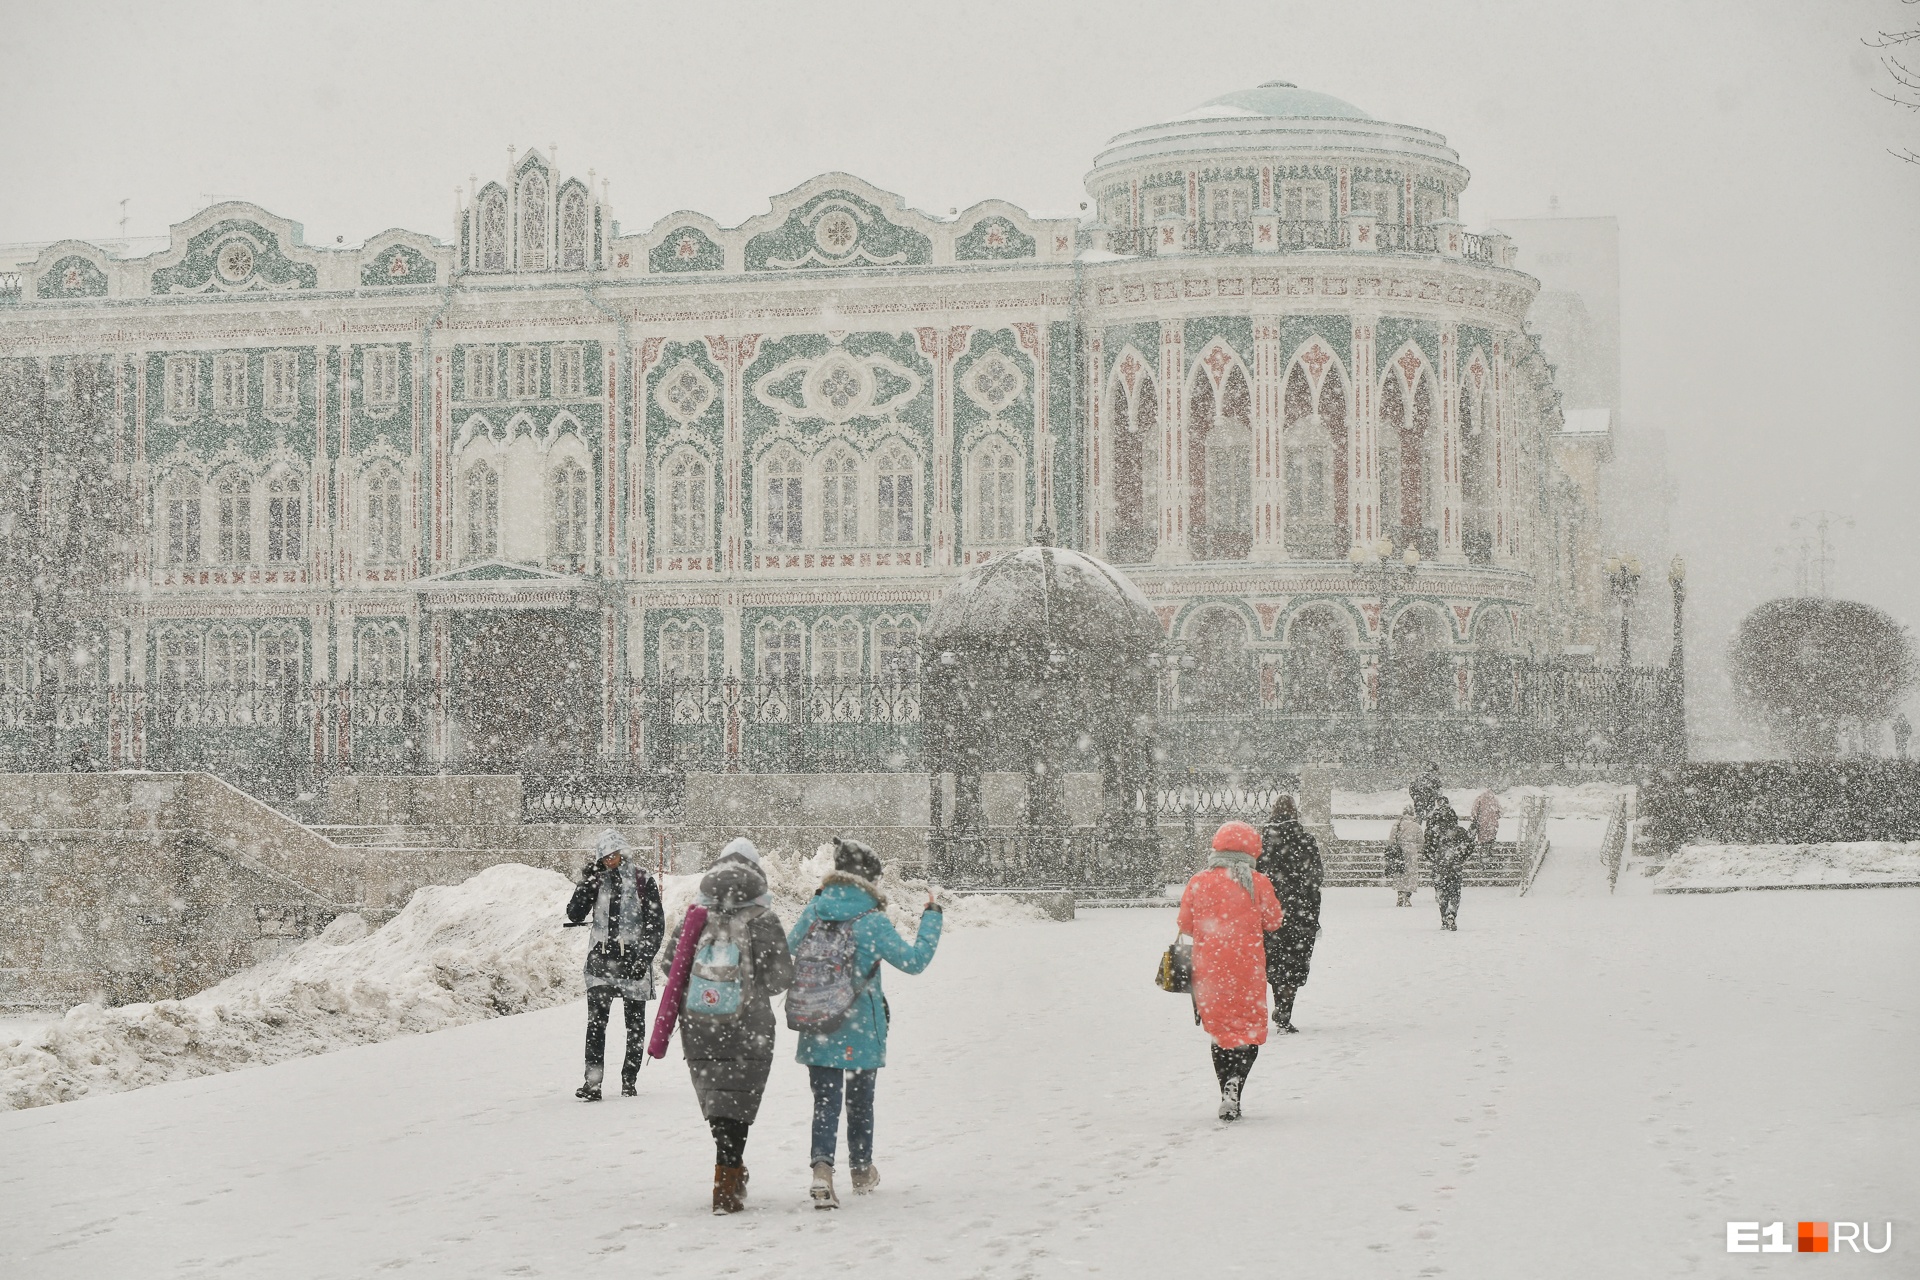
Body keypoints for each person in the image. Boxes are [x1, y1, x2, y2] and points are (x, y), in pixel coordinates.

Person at [787, 837, 942, 1209]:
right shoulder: (872, 920)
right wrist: (932, 916)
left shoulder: (815, 911)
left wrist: (816, 901)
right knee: (860, 1103)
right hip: (860, 1027)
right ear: (868, 880)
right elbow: (914, 960)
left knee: (825, 1102)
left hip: (818, 1021)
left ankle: (822, 1170)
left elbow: (790, 946)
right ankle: (860, 1169)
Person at [663, 838, 794, 1215]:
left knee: (718, 1099)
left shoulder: (695, 917)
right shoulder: (764, 918)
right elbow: (780, 977)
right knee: (740, 1099)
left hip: (701, 1025)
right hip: (748, 1026)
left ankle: (727, 1171)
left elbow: (670, 968)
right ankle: (729, 1173)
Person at [1177, 821, 1285, 1121]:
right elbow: (1274, 921)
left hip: (1209, 970)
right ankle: (1237, 1082)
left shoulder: (1199, 881)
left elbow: (1185, 924)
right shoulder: (1258, 882)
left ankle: (1225, 1086)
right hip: (1247, 967)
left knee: (1221, 1032)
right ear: (1251, 849)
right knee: (1247, 1030)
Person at [564, 829, 665, 1100]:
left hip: (633, 961)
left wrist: (643, 958)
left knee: (635, 1026)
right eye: (605, 856)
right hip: (601, 961)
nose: (611, 860)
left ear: (624, 852)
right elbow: (574, 914)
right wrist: (586, 882)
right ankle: (592, 1084)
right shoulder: (596, 880)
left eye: (615, 854)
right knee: (596, 1024)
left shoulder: (643, 880)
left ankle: (629, 1082)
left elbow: (656, 926)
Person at [1255, 796, 1322, 1033]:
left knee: (1274, 962)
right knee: (1294, 964)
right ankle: (1285, 1009)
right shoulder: (1306, 840)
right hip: (1300, 913)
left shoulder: (1262, 843)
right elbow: (1316, 878)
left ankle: (1278, 1005)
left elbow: (1256, 877)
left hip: (1270, 913)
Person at [1422, 813, 1475, 931]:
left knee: (1442, 894)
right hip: (1455, 867)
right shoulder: (1460, 831)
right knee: (1455, 892)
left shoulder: (1434, 832)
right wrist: (1461, 857)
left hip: (1440, 868)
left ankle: (1444, 918)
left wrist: (1433, 859)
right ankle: (1452, 912)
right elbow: (1470, 846)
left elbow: (1426, 849)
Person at [1387, 805, 1425, 908]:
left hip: (1399, 852)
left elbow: (1391, 840)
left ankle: (1400, 895)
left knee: (1399, 874)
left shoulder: (1397, 824)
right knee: (1411, 875)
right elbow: (1421, 842)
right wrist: (1415, 849)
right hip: (1411, 852)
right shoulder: (1416, 826)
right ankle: (1408, 898)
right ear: (1413, 813)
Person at [1470, 788, 1503, 853]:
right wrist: (1495, 817)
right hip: (1493, 823)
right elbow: (1500, 812)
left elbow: (1474, 810)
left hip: (1482, 822)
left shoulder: (1479, 799)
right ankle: (1490, 852)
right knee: (1491, 838)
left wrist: (1475, 818)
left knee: (1482, 839)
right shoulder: (1495, 800)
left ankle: (1483, 853)